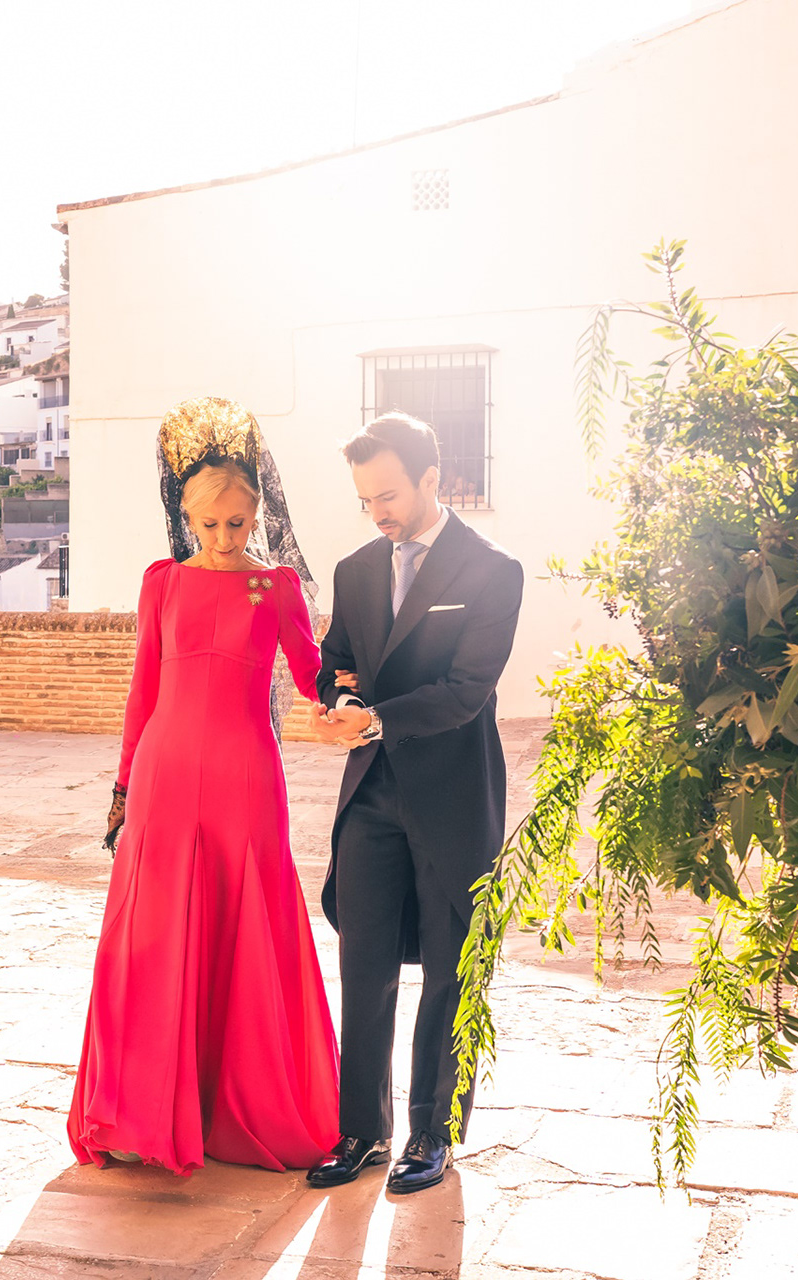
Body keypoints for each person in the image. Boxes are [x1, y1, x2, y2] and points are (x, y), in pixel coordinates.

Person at [67, 397, 339, 1176]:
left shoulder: (277, 587)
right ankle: (140, 1113)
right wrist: (123, 789)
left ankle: (237, 1108)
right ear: (186, 516)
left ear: (256, 515)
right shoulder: (162, 583)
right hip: (164, 774)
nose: (224, 538)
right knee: (154, 935)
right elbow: (142, 693)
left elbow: (313, 676)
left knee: (244, 926)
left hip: (246, 777)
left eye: (238, 523)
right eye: (210, 524)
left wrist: (350, 696)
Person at [306, 412, 523, 1195]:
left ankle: (434, 1133)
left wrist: (375, 716)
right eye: (366, 499)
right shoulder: (356, 570)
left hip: (453, 796)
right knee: (363, 964)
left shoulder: (493, 571)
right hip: (370, 793)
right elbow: (336, 660)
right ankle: (362, 1131)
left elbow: (466, 691)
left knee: (450, 971)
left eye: (389, 495)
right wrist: (338, 700)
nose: (378, 513)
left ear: (433, 478)